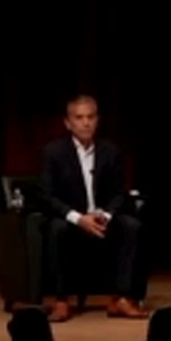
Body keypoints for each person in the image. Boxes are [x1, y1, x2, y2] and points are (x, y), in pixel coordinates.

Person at [37, 95, 147, 320]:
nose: (85, 123)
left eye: (90, 117)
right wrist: (79, 218)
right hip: (70, 219)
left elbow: (119, 193)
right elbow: (46, 196)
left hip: (101, 219)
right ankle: (61, 301)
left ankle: (122, 298)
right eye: (79, 118)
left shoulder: (110, 150)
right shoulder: (53, 152)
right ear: (68, 123)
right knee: (56, 229)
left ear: (97, 120)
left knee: (131, 226)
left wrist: (104, 215)